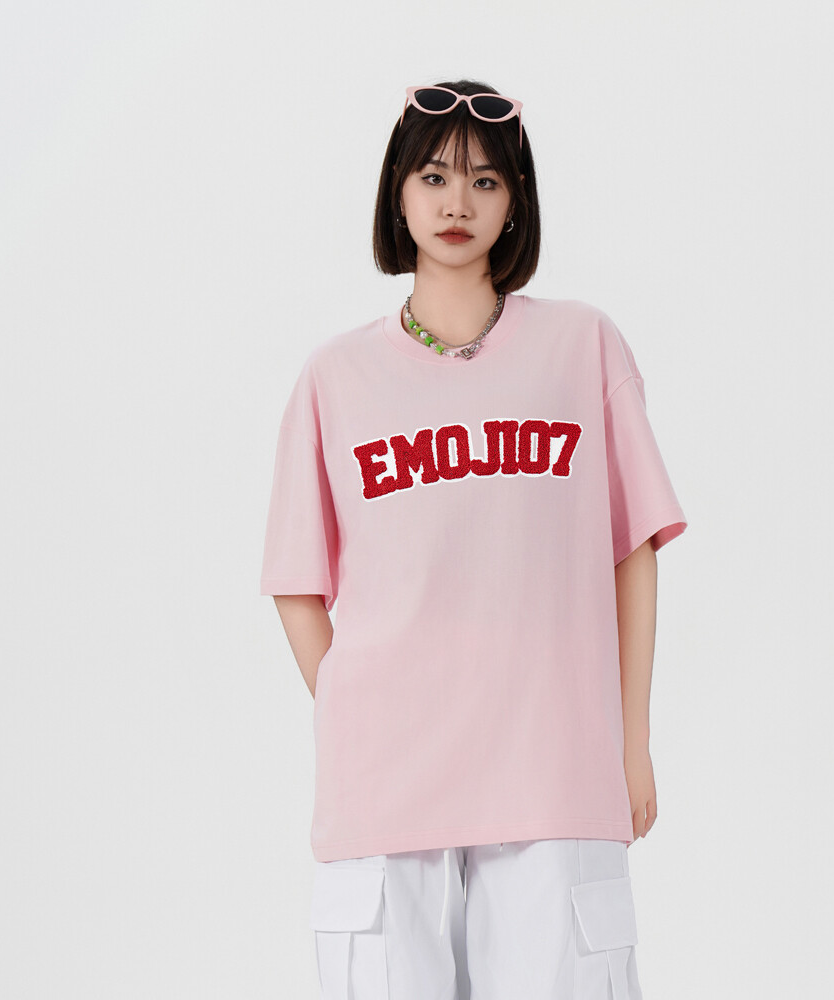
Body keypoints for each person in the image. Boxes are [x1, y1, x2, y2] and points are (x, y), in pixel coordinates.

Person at [259, 79, 688, 1000]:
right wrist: (361, 711)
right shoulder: (336, 376)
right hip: (386, 784)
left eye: (485, 180)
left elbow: (632, 551)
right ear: (397, 193)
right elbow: (296, 579)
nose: (457, 202)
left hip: (553, 763)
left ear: (516, 201)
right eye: (434, 177)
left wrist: (632, 740)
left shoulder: (583, 347)